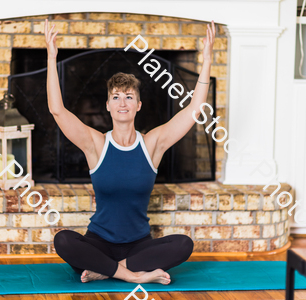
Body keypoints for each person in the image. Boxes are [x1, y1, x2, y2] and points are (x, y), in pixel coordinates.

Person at [44, 19, 216, 285]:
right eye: (116, 97)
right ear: (108, 106)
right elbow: (58, 110)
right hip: (98, 243)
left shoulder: (152, 144)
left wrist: (206, 60)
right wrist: (51, 57)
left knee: (184, 244)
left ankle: (107, 271)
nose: (122, 102)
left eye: (128, 97)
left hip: (138, 246)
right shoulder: (96, 144)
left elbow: (194, 110)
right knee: (63, 240)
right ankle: (134, 275)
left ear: (138, 105)